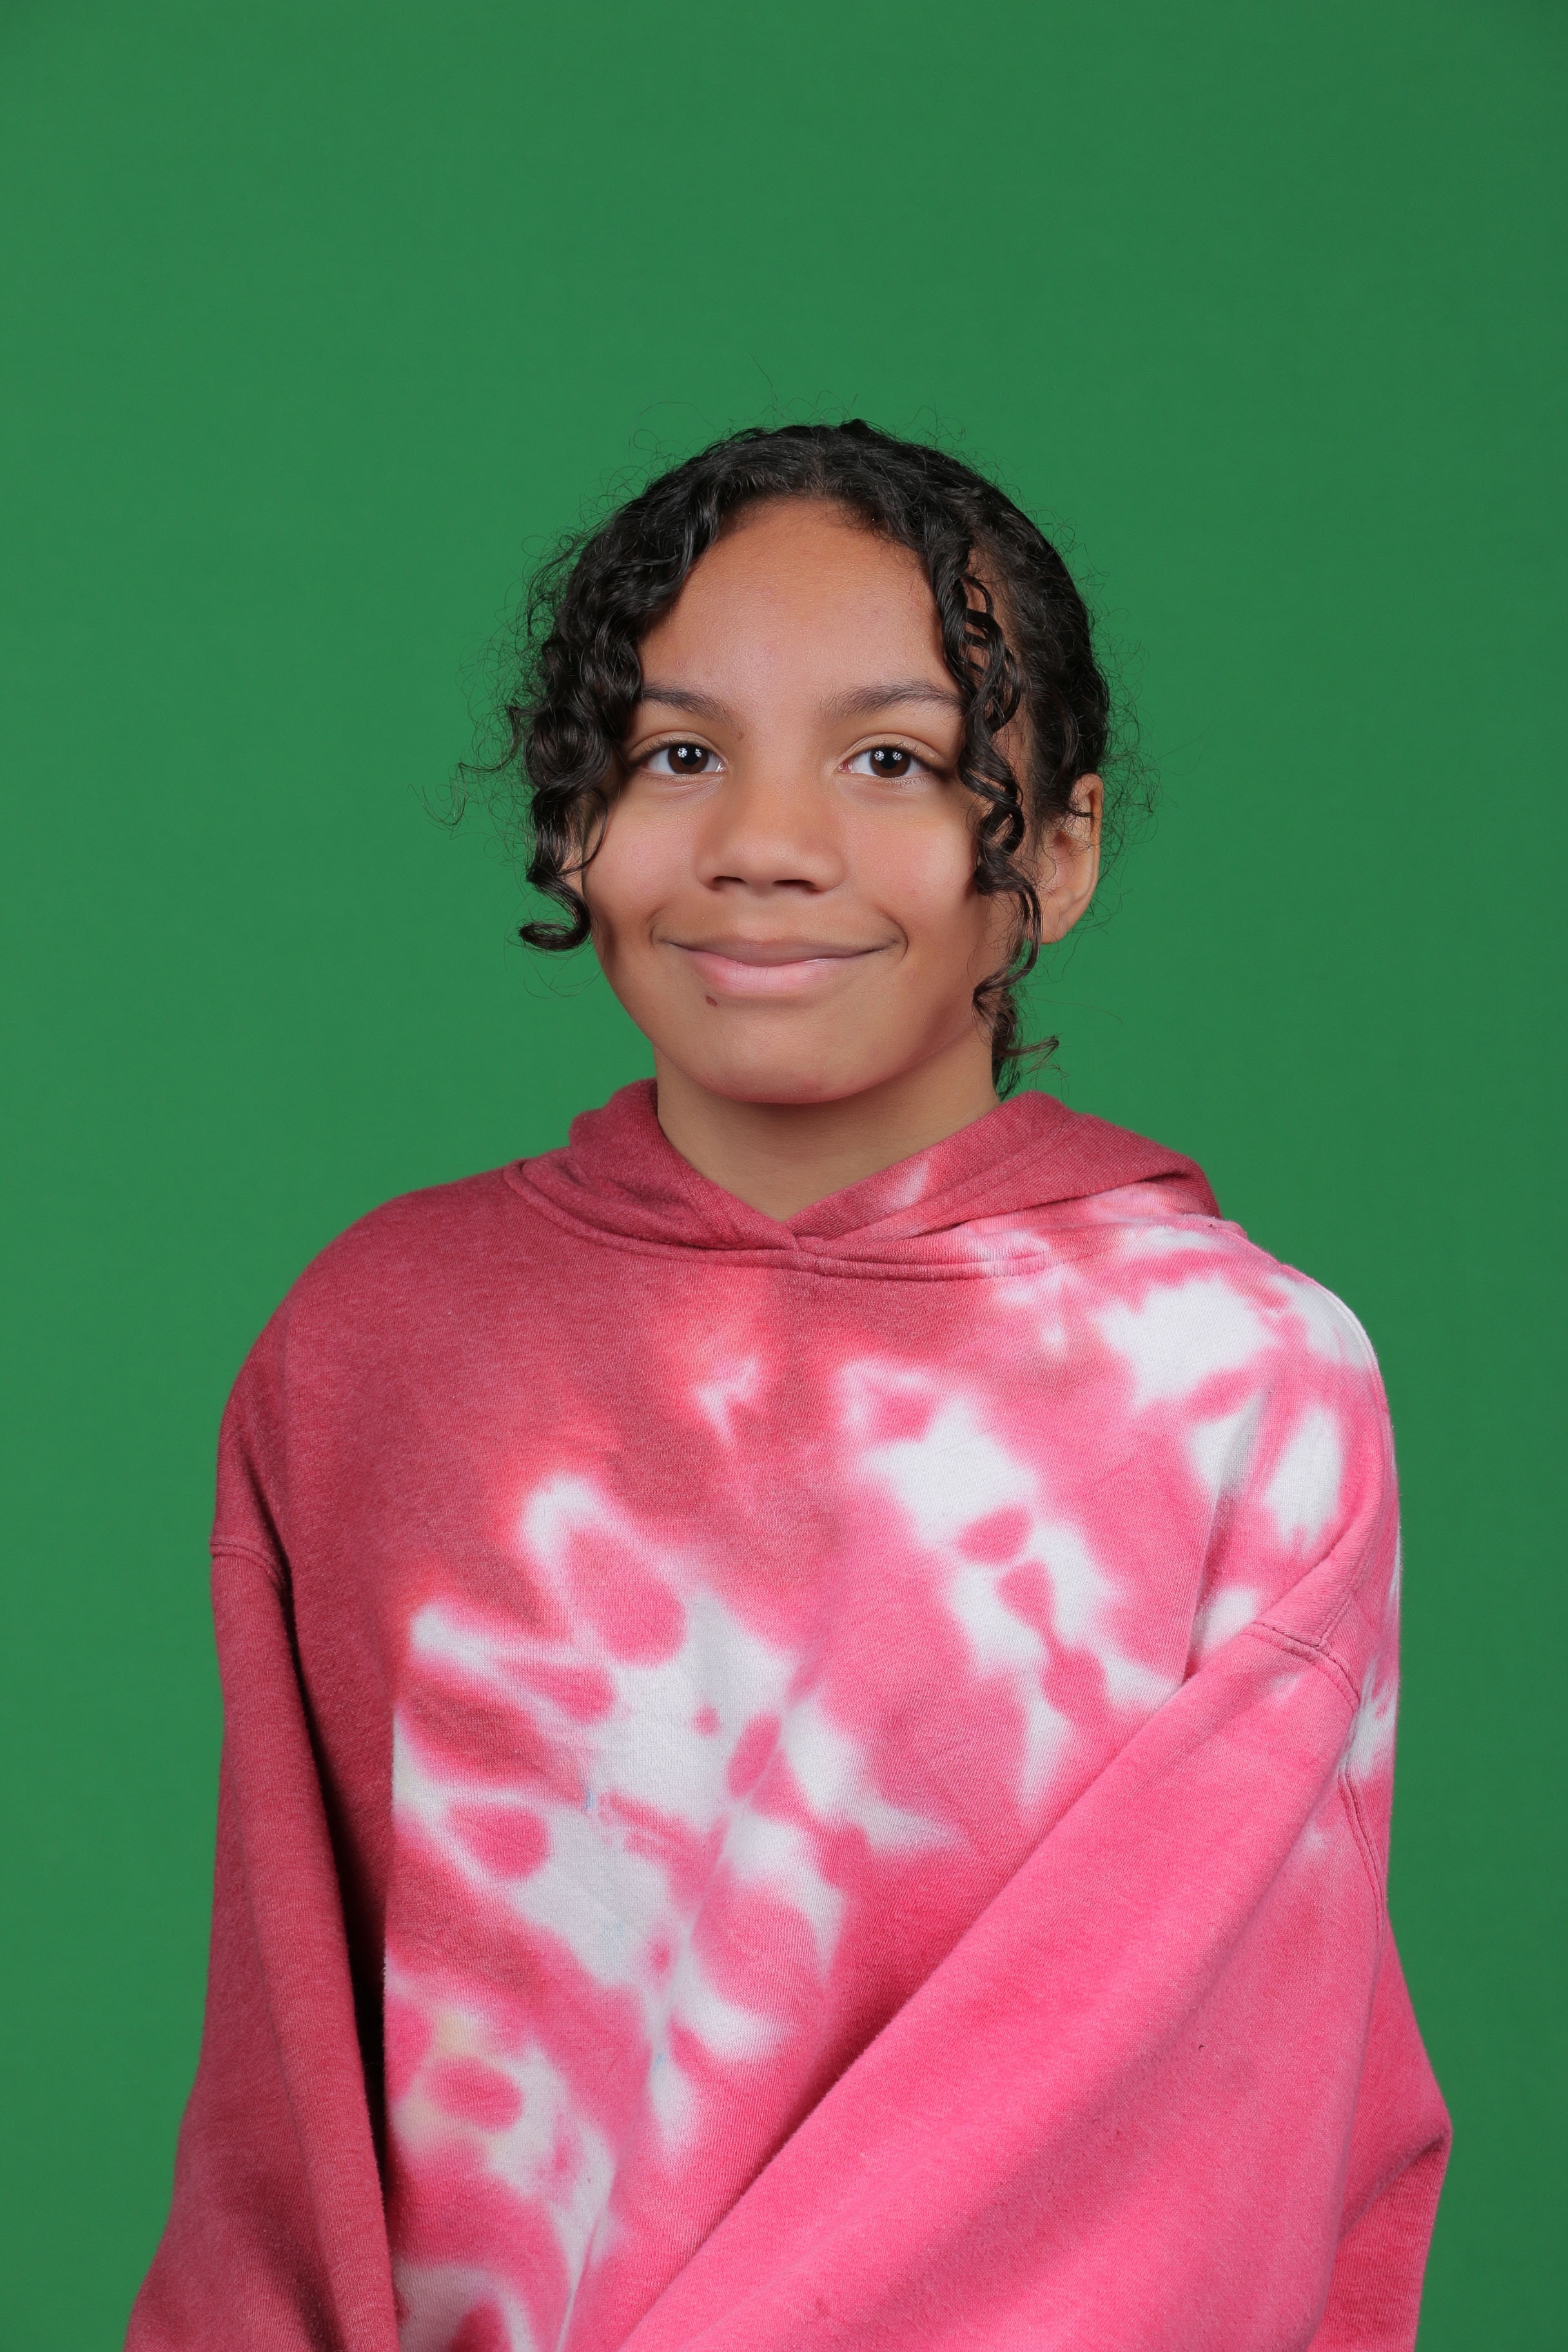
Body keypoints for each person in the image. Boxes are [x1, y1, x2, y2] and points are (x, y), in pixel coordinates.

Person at [128, 423, 1449, 2352]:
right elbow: (283, 2124)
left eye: (892, 760)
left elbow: (1193, 2139)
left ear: (1060, 846)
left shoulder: (1243, 1389)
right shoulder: (374, 1350)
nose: (764, 840)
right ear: (574, 820)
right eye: (677, 754)